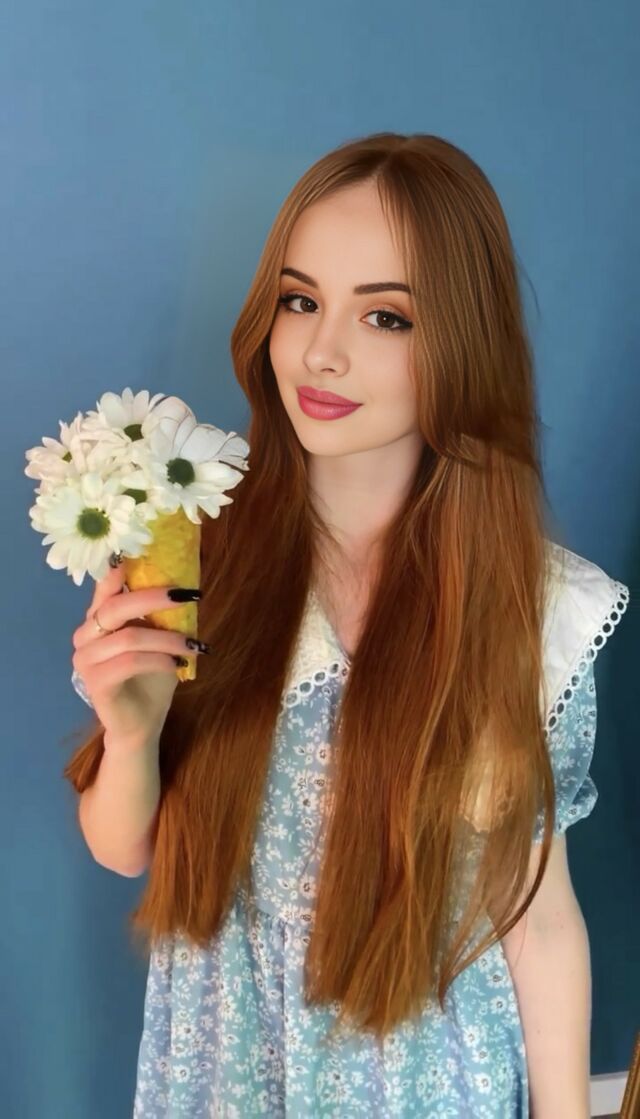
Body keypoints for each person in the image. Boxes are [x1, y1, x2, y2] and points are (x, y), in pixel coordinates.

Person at [64, 132, 630, 1117]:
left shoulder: (539, 606)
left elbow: (537, 920)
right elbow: (126, 847)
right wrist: (131, 730)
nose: (322, 351)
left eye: (385, 316)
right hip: (225, 1073)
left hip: (431, 1082)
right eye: (300, 300)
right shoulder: (191, 554)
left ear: (461, 341)